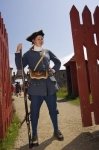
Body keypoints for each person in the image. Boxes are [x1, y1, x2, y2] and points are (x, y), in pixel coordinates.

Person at [15, 30, 64, 145]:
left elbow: (58, 62)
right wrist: (18, 52)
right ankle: (34, 135)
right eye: (38, 38)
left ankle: (56, 130)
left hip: (50, 86)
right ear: (33, 41)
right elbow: (19, 66)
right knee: (34, 113)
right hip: (35, 88)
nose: (41, 40)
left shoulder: (47, 52)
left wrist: (53, 69)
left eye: (42, 38)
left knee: (53, 110)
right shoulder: (28, 54)